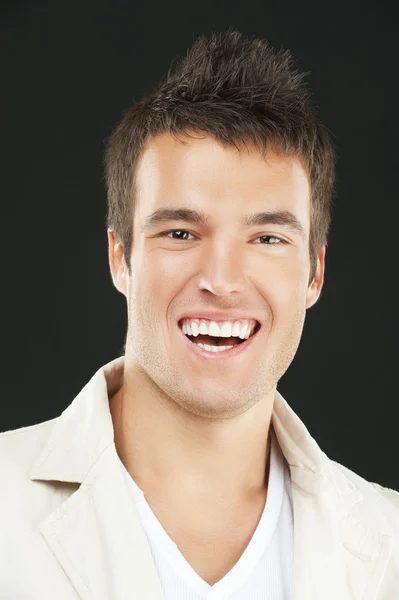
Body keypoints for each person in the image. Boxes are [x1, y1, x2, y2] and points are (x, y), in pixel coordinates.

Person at [1, 28, 398, 600]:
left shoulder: (390, 547)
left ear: (314, 273)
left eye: (267, 238)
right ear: (121, 257)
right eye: (181, 232)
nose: (222, 280)